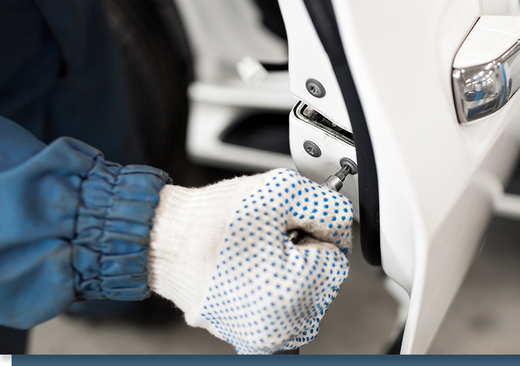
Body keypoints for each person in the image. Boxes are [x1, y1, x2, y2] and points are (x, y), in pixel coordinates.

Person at [0, 0, 351, 355]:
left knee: (104, 132)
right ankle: (108, 294)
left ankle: (120, 291)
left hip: (47, 29)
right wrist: (155, 234)